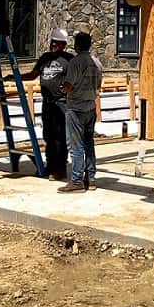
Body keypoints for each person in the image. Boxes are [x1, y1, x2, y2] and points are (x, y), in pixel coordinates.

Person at [14, 29, 73, 181]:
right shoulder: (45, 58)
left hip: (61, 104)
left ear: (64, 45)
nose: (53, 45)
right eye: (52, 42)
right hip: (47, 104)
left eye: (57, 43)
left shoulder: (69, 60)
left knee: (60, 137)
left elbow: (77, 79)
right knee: (49, 136)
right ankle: (50, 165)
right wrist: (15, 77)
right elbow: (33, 75)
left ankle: (60, 169)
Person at [58, 31, 103, 194]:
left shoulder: (75, 62)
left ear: (76, 45)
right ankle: (90, 178)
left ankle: (76, 180)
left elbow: (69, 85)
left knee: (76, 146)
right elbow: (98, 86)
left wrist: (62, 88)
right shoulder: (97, 63)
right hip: (90, 107)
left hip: (76, 108)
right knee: (89, 143)